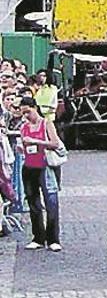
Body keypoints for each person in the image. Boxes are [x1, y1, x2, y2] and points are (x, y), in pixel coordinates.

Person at [18, 96, 62, 251]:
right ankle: (38, 237)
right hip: (29, 166)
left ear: (35, 108)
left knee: (51, 201)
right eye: (23, 113)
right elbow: (23, 146)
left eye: (28, 112)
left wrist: (37, 142)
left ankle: (53, 238)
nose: (26, 116)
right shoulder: (24, 127)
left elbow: (55, 143)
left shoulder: (46, 124)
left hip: (45, 166)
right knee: (33, 202)